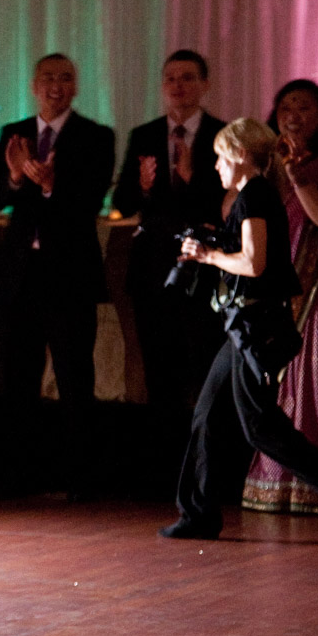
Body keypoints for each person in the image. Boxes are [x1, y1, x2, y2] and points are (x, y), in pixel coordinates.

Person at [159, 119, 318, 545]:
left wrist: (208, 255)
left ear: (240, 155)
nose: (216, 165)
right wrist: (215, 242)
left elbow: (254, 264)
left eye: (221, 157)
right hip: (245, 324)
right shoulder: (253, 194)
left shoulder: (255, 194)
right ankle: (198, 513)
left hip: (256, 326)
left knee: (261, 428)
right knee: (208, 414)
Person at [0, 53, 115, 500]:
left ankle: (81, 480)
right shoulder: (14, 133)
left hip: (69, 274)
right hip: (19, 276)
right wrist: (14, 178)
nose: (56, 86)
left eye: (65, 78)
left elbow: (92, 201)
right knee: (18, 377)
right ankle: (19, 476)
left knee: (74, 378)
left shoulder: (96, 136)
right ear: (34, 85)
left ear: (75, 87)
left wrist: (49, 186)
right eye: (48, 78)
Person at [241, 81, 318, 513]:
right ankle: (273, 478)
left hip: (316, 289)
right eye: (286, 107)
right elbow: (231, 214)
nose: (293, 116)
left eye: (304, 108)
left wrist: (297, 177)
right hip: (268, 292)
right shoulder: (265, 169)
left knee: (311, 377)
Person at [114, 50, 228, 420]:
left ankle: (206, 451)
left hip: (206, 269)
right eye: (171, 78)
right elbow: (122, 203)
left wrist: (192, 178)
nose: (178, 85)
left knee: (206, 368)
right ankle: (163, 452)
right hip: (153, 272)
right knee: (159, 373)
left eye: (188, 77)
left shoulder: (222, 134)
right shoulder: (144, 135)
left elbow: (229, 205)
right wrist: (143, 188)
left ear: (204, 84)